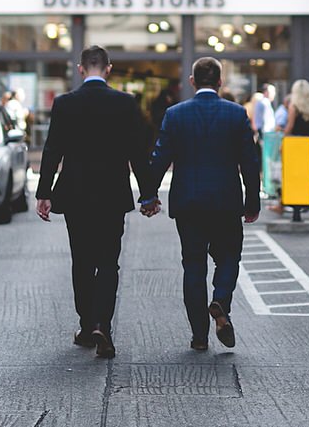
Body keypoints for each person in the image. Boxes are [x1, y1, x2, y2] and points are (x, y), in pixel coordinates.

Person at [36, 46, 160, 359]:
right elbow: (137, 152)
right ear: (108, 69)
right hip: (111, 194)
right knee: (108, 262)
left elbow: (53, 150)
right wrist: (148, 194)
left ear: (81, 69)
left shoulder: (65, 104)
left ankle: (86, 323)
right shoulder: (125, 103)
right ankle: (103, 324)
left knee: (82, 260)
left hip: (76, 195)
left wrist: (44, 192)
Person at [147, 55, 260, 351]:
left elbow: (160, 159)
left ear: (193, 81)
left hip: (189, 203)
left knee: (193, 267)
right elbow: (250, 163)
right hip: (226, 202)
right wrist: (252, 202)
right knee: (229, 258)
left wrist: (149, 195)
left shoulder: (175, 114)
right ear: (220, 82)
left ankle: (199, 336)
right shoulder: (236, 115)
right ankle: (221, 300)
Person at [285, 78, 309, 217]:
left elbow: (289, 127)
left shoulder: (293, 107)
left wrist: (284, 140)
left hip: (296, 147)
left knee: (293, 176)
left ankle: (288, 205)